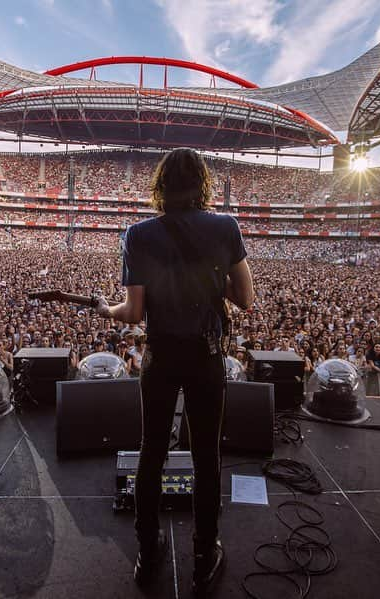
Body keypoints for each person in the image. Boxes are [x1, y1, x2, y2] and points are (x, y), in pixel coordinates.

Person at [96, 148, 254, 595]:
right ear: (202, 183)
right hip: (206, 357)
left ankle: (148, 554)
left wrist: (106, 309)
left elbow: (132, 312)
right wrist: (209, 275)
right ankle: (206, 553)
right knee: (207, 456)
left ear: (160, 186)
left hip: (161, 356)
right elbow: (245, 298)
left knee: (151, 453)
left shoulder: (139, 234)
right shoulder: (226, 227)